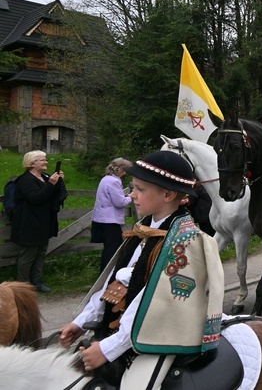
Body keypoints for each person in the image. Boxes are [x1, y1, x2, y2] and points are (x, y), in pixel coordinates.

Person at [59, 151, 223, 389]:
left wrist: (108, 348)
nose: (132, 195)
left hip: (159, 335)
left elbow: (154, 302)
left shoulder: (187, 242)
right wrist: (82, 321)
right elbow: (114, 284)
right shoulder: (143, 229)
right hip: (121, 332)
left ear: (168, 194)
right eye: (132, 187)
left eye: (140, 189)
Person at [10, 151, 66, 293]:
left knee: (40, 253)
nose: (46, 162)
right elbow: (35, 198)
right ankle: (22, 286)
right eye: (43, 160)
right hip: (28, 224)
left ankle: (37, 282)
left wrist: (58, 182)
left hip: (43, 223)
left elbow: (55, 196)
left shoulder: (45, 177)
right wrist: (51, 184)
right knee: (28, 255)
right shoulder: (25, 180)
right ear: (32, 163)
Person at [91, 158, 133, 272]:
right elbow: (119, 203)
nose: (125, 173)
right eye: (124, 170)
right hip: (110, 221)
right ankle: (107, 275)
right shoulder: (114, 181)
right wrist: (131, 196)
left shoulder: (105, 179)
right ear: (120, 169)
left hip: (101, 220)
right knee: (113, 251)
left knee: (109, 250)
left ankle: (105, 275)